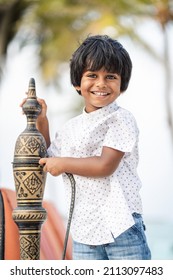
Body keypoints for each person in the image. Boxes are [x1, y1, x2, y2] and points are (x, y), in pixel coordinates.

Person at [27, 35, 151, 260]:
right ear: (77, 82)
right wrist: (42, 121)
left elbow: (105, 165)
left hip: (121, 226)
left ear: (121, 84)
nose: (101, 83)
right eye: (92, 75)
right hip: (84, 231)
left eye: (110, 76)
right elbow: (49, 159)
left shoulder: (120, 119)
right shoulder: (70, 128)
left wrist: (62, 163)